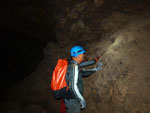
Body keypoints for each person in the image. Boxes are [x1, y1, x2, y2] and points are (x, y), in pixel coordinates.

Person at [63, 46, 103, 113]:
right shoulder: (74, 67)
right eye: (83, 54)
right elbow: (73, 87)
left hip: (70, 98)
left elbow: (82, 73)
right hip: (73, 99)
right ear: (79, 55)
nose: (83, 55)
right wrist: (81, 99)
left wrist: (95, 70)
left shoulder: (72, 64)